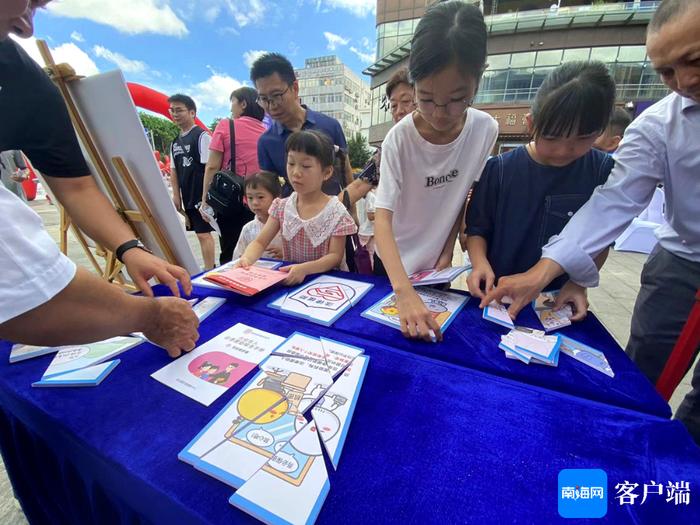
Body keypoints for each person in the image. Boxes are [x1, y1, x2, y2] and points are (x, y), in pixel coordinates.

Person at [482, 0, 700, 443]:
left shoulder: (597, 163)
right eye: (666, 73)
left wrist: (574, 280)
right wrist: (541, 276)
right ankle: (621, 444)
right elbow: (610, 208)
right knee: (642, 370)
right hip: (682, 259)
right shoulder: (658, 125)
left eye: (693, 61)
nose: (684, 82)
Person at [0, 2, 198, 357]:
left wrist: (130, 248)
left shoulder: (25, 84)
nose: (27, 28)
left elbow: (76, 186)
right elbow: (32, 296)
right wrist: (148, 316)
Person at [373, 1, 498, 342]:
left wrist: (446, 249)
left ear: (479, 77)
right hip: (392, 263)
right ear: (413, 84)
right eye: (426, 99)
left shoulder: (485, 129)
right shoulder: (400, 138)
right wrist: (402, 290)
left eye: (458, 99)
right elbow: (381, 218)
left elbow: (460, 197)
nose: (441, 113)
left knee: (430, 340)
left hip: (436, 266)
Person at [466, 61, 616, 320]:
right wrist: (479, 264)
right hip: (497, 293)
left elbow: (600, 241)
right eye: (552, 137)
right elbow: (477, 229)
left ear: (600, 132)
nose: (563, 150)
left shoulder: (602, 171)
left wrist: (579, 283)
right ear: (531, 123)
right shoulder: (499, 169)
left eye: (582, 139)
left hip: (556, 300)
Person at [251, 53, 377, 203]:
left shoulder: (330, 126)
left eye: (276, 95)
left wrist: (352, 211)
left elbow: (345, 171)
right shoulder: (266, 142)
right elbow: (269, 190)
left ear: (295, 88)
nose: (271, 106)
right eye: (264, 99)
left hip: (334, 214)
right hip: (294, 219)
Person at [238, 130, 357, 285]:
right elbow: (260, 242)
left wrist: (305, 269)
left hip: (326, 284)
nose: (295, 172)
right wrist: (246, 259)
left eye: (306, 166)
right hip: (292, 280)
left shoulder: (335, 212)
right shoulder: (282, 207)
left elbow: (334, 257)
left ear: (326, 172)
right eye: (291, 163)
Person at [202, 87, 267, 264]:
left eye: (233, 103)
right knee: (258, 251)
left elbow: (212, 166)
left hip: (230, 202)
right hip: (260, 202)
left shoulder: (226, 125)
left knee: (230, 252)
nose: (231, 109)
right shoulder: (267, 133)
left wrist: (204, 200)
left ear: (243, 104)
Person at [168, 93, 215, 270]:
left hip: (201, 195)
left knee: (204, 234)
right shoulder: (175, 142)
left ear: (192, 112)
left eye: (179, 110)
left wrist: (205, 199)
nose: (175, 114)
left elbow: (210, 168)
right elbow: (174, 170)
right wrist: (176, 195)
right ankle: (209, 267)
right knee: (200, 234)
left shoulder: (202, 136)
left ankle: (210, 270)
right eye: (172, 110)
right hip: (187, 195)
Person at [232, 171, 284, 260]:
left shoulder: (286, 225)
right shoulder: (248, 229)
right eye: (250, 198)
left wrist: (284, 253)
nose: (254, 203)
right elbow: (238, 256)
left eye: (260, 197)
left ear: (276, 197)